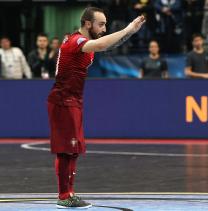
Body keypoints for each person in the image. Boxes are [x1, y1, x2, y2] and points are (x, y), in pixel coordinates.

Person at [47, 7, 145, 209]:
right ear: (87, 24)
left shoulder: (85, 45)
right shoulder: (76, 42)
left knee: (73, 150)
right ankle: (64, 196)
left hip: (72, 101)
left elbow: (107, 45)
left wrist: (130, 32)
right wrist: (126, 28)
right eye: (101, 24)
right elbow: (101, 45)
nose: (104, 28)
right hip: (63, 101)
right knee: (66, 150)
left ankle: (69, 194)